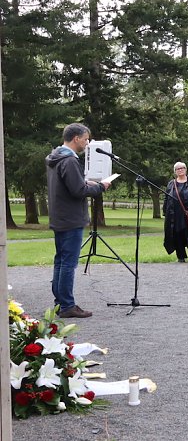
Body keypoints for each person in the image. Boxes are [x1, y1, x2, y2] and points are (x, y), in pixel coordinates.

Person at [46, 123, 111, 318]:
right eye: (85, 139)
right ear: (76, 139)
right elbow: (78, 191)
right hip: (71, 218)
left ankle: (60, 303)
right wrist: (100, 187)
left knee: (60, 261)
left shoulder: (55, 157)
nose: (87, 142)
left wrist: (86, 182)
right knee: (68, 263)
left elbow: (69, 185)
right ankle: (67, 305)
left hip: (59, 216)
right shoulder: (69, 161)